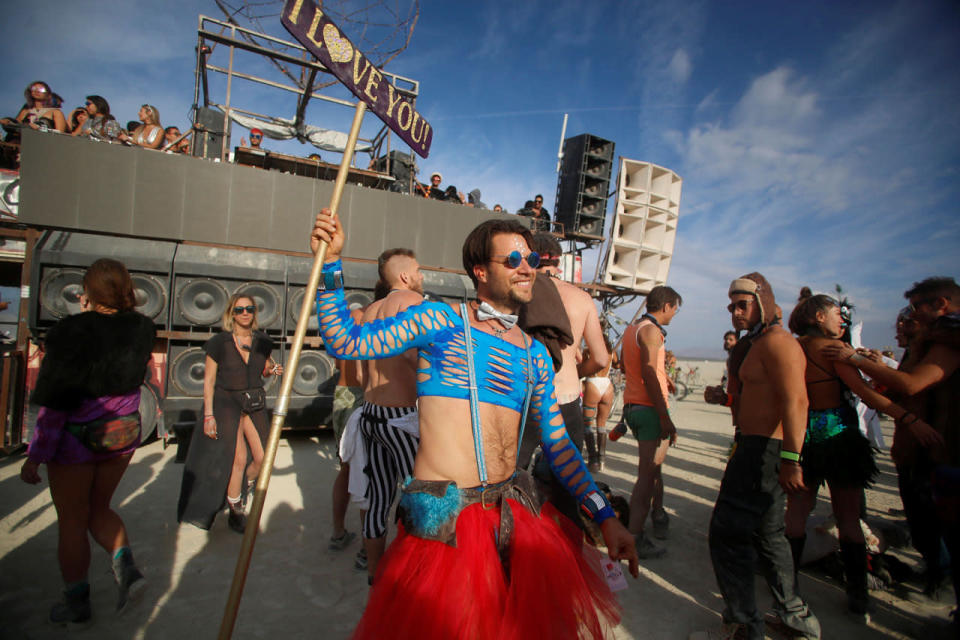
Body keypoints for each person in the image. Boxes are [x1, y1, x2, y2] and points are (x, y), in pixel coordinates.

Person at [310, 211, 638, 639]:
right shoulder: (439, 322)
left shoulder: (535, 355)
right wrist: (331, 265)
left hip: (513, 518)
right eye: (514, 260)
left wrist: (605, 516)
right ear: (480, 271)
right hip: (445, 527)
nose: (527, 269)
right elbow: (346, 341)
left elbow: (560, 448)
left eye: (532, 261)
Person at [20, 258, 155, 624]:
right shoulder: (143, 329)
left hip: (75, 443)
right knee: (100, 509)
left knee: (72, 522)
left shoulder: (70, 332)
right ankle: (127, 570)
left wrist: (36, 455)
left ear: (88, 292)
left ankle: (77, 603)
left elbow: (56, 401)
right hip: (121, 437)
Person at [692, 273, 820, 640]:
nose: (734, 312)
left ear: (763, 301)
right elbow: (760, 400)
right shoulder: (758, 343)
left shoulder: (779, 342)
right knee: (768, 535)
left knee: (727, 534)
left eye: (742, 304)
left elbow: (796, 401)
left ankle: (744, 625)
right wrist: (727, 399)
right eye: (731, 306)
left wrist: (792, 459)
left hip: (764, 451)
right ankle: (796, 618)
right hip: (757, 447)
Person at [783, 290, 927, 616]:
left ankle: (785, 585)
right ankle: (857, 594)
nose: (842, 319)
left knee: (796, 516)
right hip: (840, 439)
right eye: (837, 313)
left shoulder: (795, 349)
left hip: (803, 439)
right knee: (849, 519)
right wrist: (909, 419)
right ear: (819, 317)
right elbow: (865, 394)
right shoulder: (835, 351)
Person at [822, 277, 959, 611]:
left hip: (947, 452)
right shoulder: (929, 343)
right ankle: (935, 571)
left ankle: (941, 579)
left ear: (940, 305)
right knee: (923, 519)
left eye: (915, 309)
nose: (909, 319)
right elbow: (901, 391)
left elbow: (911, 385)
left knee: (942, 525)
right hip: (922, 450)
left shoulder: (950, 340)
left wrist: (856, 361)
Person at [519, 232, 609, 530]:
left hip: (527, 397)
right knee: (569, 485)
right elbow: (600, 358)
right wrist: (572, 369)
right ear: (559, 262)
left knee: (512, 475)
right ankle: (565, 552)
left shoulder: (521, 291)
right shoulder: (582, 299)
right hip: (567, 398)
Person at [177, 294, 283, 533]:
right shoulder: (219, 343)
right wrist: (208, 415)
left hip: (254, 402)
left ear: (255, 312)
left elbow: (266, 369)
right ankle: (236, 510)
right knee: (238, 459)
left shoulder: (263, 342)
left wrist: (274, 370)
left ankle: (241, 488)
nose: (245, 313)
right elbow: (209, 381)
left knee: (263, 458)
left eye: (249, 309)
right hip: (226, 403)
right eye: (239, 309)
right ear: (231, 314)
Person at [356, 248, 424, 583]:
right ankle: (411, 574)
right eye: (418, 270)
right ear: (405, 277)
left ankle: (374, 575)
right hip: (401, 416)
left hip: (369, 412)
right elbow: (414, 357)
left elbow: (358, 376)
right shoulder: (412, 304)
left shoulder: (369, 312)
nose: (422, 276)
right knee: (420, 497)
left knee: (377, 499)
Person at [621, 285, 681, 558]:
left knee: (653, 470)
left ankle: (658, 516)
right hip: (649, 410)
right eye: (675, 309)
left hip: (633, 406)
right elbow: (647, 369)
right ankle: (635, 536)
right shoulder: (651, 331)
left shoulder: (631, 329)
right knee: (646, 476)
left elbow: (629, 366)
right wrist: (664, 416)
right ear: (666, 305)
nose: (674, 314)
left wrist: (663, 377)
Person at [328, 310, 365, 557]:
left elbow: (333, 355)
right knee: (367, 473)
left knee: (346, 469)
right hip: (363, 395)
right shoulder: (373, 318)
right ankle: (366, 549)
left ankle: (338, 532)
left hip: (341, 394)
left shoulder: (350, 318)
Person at [582, 334, 616, 472]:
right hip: (607, 385)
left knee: (588, 424)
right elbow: (618, 365)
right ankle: (602, 459)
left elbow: (584, 367)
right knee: (602, 424)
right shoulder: (611, 353)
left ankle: (593, 460)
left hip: (593, 384)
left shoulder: (588, 352)